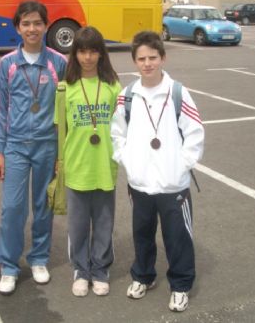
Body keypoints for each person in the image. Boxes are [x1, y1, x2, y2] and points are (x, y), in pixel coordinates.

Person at [110, 31, 204, 312]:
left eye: (153, 57)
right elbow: (117, 134)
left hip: (172, 184)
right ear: (134, 61)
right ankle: (143, 275)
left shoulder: (177, 93)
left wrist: (181, 165)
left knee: (178, 237)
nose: (147, 63)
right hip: (140, 183)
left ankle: (180, 285)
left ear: (163, 58)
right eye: (141, 58)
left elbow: (195, 133)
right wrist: (129, 161)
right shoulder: (127, 96)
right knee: (142, 233)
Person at [0, 0, 67, 295]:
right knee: (12, 208)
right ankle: (9, 266)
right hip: (16, 147)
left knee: (43, 206)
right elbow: (1, 108)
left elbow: (64, 110)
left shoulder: (58, 62)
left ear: (46, 25)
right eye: (26, 23)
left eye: (37, 23)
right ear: (17, 28)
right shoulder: (8, 64)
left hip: (48, 145)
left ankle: (39, 259)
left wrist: (62, 153)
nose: (32, 28)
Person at [56, 26, 122, 297]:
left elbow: (122, 127)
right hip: (77, 165)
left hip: (105, 165)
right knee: (78, 224)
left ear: (101, 54)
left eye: (93, 51)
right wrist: (59, 161)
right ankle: (81, 270)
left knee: (104, 221)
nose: (88, 57)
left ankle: (100, 269)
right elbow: (61, 130)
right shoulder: (65, 87)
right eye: (82, 51)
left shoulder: (113, 86)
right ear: (75, 54)